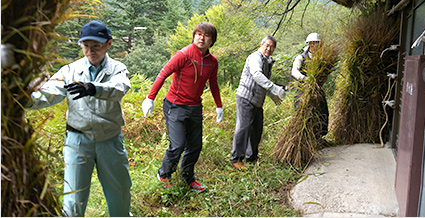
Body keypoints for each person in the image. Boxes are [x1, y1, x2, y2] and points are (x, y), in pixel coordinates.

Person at [29, 20, 132, 217]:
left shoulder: (117, 68)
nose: (91, 50)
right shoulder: (70, 71)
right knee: (73, 200)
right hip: (77, 141)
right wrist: (19, 98)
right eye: (86, 45)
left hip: (109, 139)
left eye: (96, 45)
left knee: (119, 194)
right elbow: (48, 94)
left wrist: (93, 88)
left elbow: (120, 87)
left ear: (109, 44)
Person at [141, 22, 223, 192]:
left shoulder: (212, 62)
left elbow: (213, 84)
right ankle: (164, 174)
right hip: (175, 105)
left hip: (195, 107)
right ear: (194, 36)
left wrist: (219, 106)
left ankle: (187, 176)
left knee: (195, 145)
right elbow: (163, 74)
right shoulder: (183, 55)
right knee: (178, 144)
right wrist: (150, 98)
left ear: (212, 40)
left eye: (206, 35)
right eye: (198, 34)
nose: (202, 37)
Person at [230, 36, 286, 170]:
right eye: (267, 45)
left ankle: (251, 156)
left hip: (257, 101)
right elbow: (256, 75)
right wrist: (274, 87)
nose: (269, 49)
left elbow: (261, 83)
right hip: (246, 98)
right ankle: (236, 159)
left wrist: (272, 94)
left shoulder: (268, 61)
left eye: (272, 47)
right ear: (261, 44)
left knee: (257, 129)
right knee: (243, 128)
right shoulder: (255, 57)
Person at [291, 32, 328, 139]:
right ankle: (301, 138)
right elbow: (294, 71)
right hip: (303, 91)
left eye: (319, 43)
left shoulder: (321, 59)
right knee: (300, 113)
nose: (318, 46)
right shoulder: (301, 58)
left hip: (317, 91)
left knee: (322, 113)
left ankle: (318, 137)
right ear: (310, 44)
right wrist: (305, 79)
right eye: (315, 43)